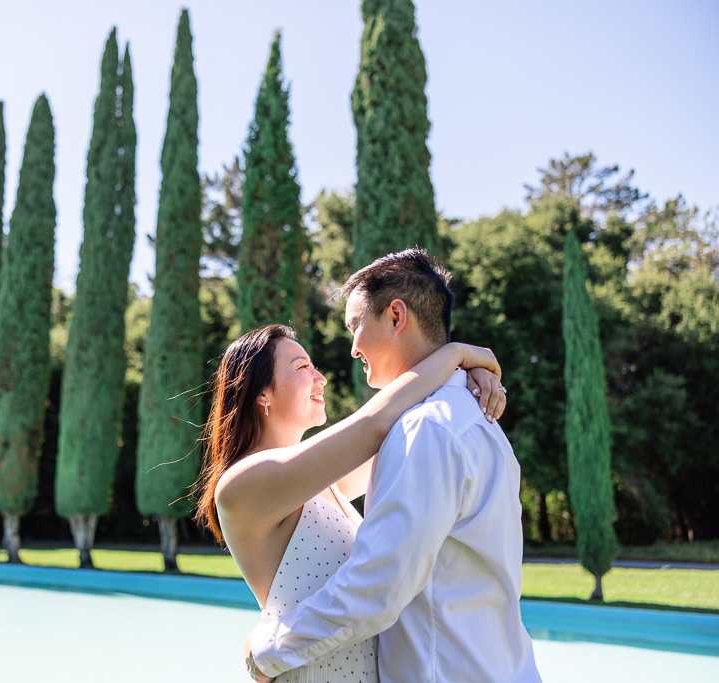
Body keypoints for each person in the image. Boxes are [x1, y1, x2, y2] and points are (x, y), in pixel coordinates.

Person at [245, 248, 542, 682]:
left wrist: (268, 651)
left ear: (396, 316)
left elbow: (378, 586)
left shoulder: (426, 430)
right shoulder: (474, 419)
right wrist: (459, 361)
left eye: (355, 326)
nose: (351, 349)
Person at [196, 319, 506, 679]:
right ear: (261, 394)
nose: (320, 377)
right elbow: (376, 422)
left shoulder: (326, 484)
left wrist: (465, 380)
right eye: (302, 367)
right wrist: (458, 354)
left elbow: (403, 423)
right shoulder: (242, 484)